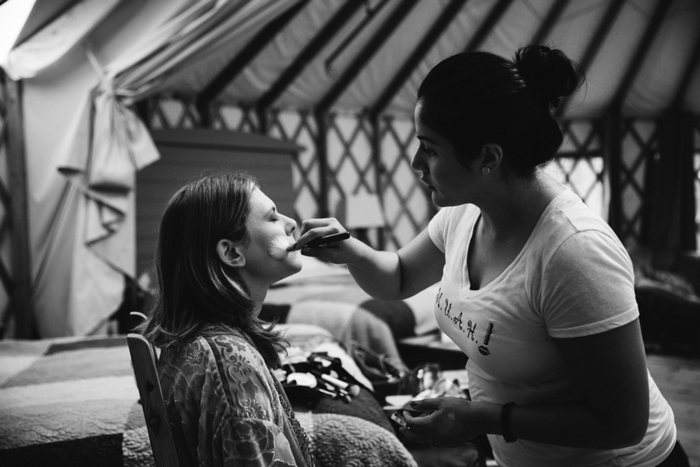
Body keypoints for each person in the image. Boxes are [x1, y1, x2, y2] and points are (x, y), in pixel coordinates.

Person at [291, 45, 689, 466]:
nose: (414, 163)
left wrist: (482, 417)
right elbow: (399, 277)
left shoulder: (573, 253)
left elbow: (623, 422)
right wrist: (351, 250)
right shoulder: (465, 215)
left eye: (430, 148)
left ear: (488, 158)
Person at [138, 172, 314, 467]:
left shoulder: (206, 342)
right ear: (231, 253)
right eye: (272, 218)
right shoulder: (231, 361)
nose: (292, 223)